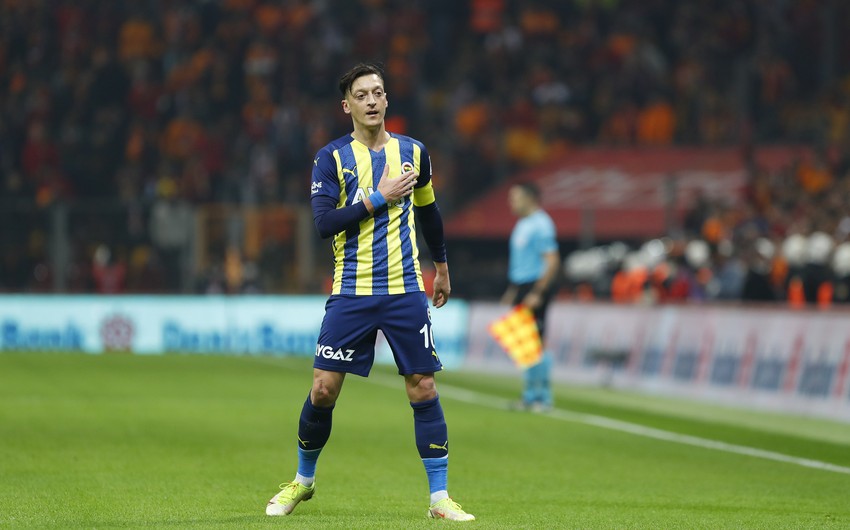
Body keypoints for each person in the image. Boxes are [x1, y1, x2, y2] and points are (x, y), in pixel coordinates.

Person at [265, 63, 475, 521]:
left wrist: (441, 267)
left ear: (387, 99)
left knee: (423, 387)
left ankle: (439, 498)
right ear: (347, 106)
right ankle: (302, 481)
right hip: (352, 292)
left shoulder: (414, 152)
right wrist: (378, 197)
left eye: (378, 92)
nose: (372, 101)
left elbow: (429, 213)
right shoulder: (331, 158)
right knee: (323, 390)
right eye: (361, 95)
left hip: (405, 290)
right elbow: (324, 223)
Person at [500, 182, 560, 412]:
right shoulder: (522, 224)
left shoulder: (541, 224)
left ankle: (543, 398)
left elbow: (552, 261)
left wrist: (538, 292)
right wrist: (513, 290)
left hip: (535, 287)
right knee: (525, 345)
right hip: (522, 286)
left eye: (515, 197)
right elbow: (522, 262)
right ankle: (530, 395)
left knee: (536, 344)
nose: (511, 202)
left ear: (530, 198)